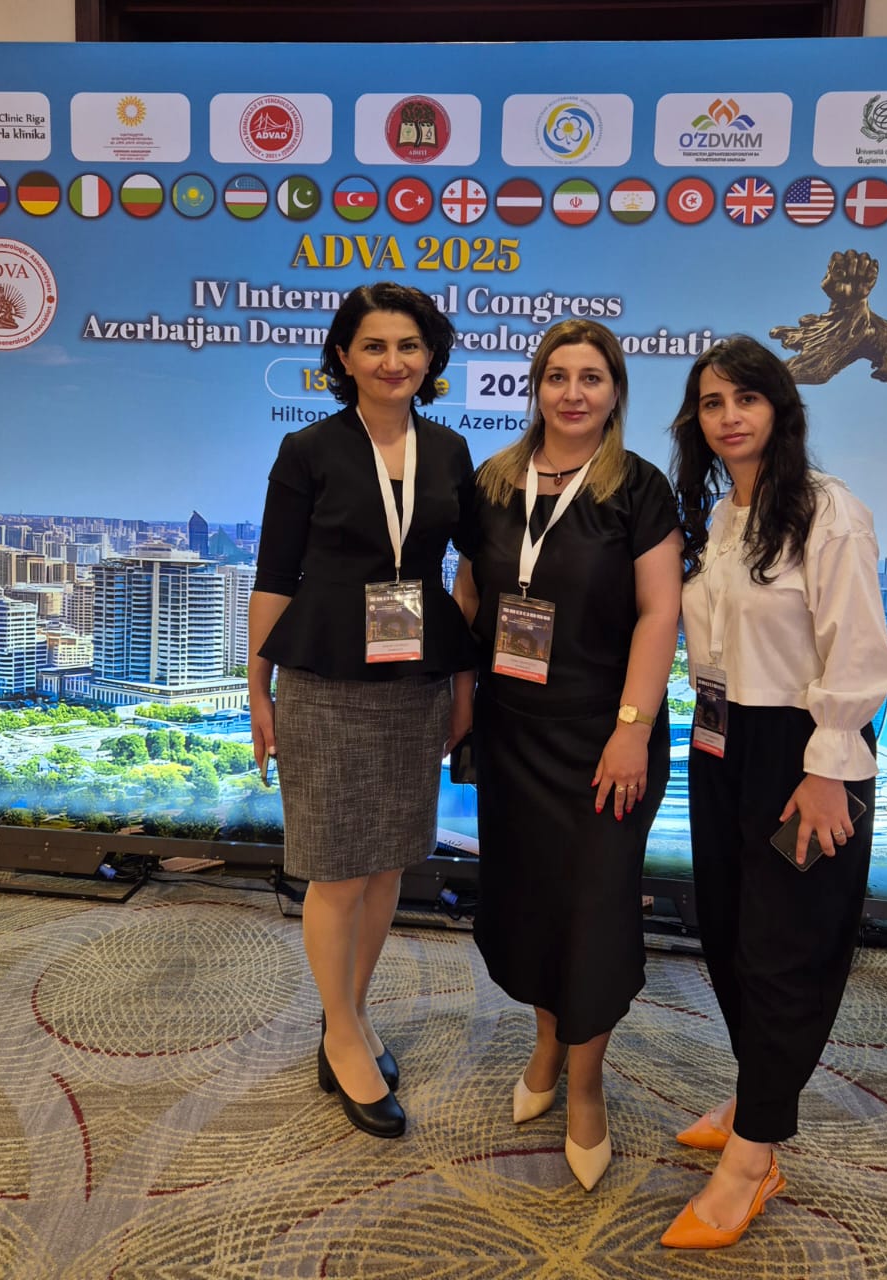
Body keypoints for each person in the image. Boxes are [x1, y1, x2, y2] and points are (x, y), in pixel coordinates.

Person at [662, 335, 887, 1248]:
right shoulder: (718, 518)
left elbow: (859, 653)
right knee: (726, 931)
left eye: (747, 398)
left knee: (786, 947)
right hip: (720, 741)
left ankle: (755, 1154)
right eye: (712, 403)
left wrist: (829, 767)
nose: (729, 417)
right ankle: (758, 1090)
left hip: (805, 751)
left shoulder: (828, 511)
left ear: (779, 409)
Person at [452, 319, 683, 1190]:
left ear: (615, 391)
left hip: (603, 739)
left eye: (592, 377)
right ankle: (547, 1044)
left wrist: (632, 727)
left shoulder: (639, 488)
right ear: (535, 387)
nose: (573, 393)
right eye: (558, 376)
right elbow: (471, 590)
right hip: (514, 733)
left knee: (592, 913)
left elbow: (660, 613)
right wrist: (462, 697)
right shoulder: (493, 481)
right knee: (531, 903)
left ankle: (586, 1086)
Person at [249, 283, 476, 1139]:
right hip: (325, 677)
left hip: (417, 679)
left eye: (409, 346)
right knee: (337, 867)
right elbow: (275, 576)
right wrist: (257, 688)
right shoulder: (307, 449)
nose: (392, 362)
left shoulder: (450, 451)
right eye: (374, 346)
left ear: (431, 357)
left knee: (386, 864)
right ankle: (341, 1032)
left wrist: (464, 683)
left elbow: (468, 572)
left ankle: (350, 1011)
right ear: (342, 357)